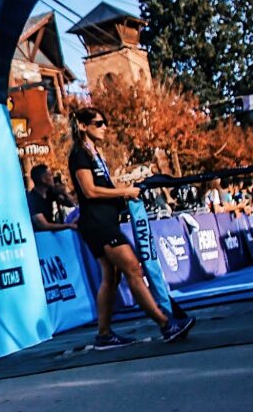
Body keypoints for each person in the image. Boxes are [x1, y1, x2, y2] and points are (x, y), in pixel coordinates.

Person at [67, 107, 195, 348]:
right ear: (83, 126)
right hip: (98, 223)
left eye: (105, 122)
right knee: (133, 269)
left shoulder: (96, 154)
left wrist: (125, 192)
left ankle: (104, 334)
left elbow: (104, 188)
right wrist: (125, 192)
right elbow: (89, 191)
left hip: (104, 221)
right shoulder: (79, 154)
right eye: (98, 123)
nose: (105, 127)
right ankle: (166, 324)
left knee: (111, 277)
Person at [26, 163, 76, 231]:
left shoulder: (50, 193)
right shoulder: (32, 199)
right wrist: (68, 225)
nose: (53, 178)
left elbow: (72, 204)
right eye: (50, 175)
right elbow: (44, 225)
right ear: (43, 179)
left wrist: (64, 192)